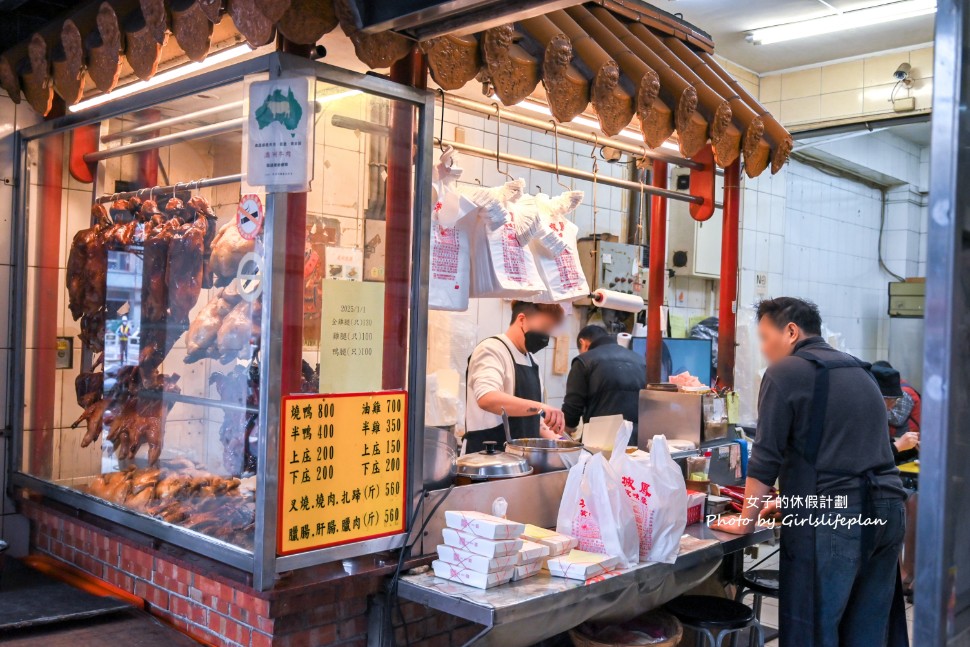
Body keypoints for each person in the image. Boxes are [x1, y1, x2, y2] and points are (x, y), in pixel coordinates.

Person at [712, 297, 908, 647]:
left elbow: (766, 457)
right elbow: (850, 453)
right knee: (866, 630)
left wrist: (746, 519)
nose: (763, 348)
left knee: (815, 628)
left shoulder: (785, 372)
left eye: (765, 337)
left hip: (836, 519)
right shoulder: (858, 369)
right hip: (888, 511)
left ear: (791, 331)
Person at [464, 301, 566, 454]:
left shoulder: (532, 361)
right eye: (544, 327)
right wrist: (541, 407)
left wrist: (560, 442)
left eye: (549, 331)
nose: (545, 336)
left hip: (521, 458)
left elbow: (532, 417)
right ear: (522, 320)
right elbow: (487, 398)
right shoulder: (491, 350)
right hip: (487, 457)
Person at [871, 360, 920, 598]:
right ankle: (898, 573)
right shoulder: (864, 414)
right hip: (861, 487)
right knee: (899, 502)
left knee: (915, 501)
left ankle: (908, 571)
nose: (892, 407)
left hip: (882, 478)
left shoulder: (877, 413)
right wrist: (899, 446)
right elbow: (869, 457)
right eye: (890, 401)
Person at [562, 325, 646, 439]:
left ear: (583, 343)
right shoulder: (640, 360)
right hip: (637, 439)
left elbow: (572, 410)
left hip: (600, 441)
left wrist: (564, 431)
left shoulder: (584, 361)